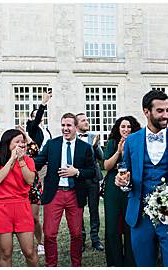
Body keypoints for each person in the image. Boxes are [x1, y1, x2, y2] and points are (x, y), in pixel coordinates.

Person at [115, 90, 168, 267]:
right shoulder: (131, 141)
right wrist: (123, 182)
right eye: (160, 111)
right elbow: (126, 173)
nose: (166, 115)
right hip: (140, 216)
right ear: (146, 112)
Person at [34, 113, 99, 267]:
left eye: (69, 125)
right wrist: (22, 159)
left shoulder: (85, 148)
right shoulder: (52, 144)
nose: (65, 128)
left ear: (76, 127)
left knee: (76, 234)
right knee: (49, 234)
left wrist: (76, 172)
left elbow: (92, 171)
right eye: (63, 125)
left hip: (74, 194)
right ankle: (51, 265)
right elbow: (37, 162)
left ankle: (76, 265)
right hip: (54, 193)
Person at [0, 129, 39, 267]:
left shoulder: (28, 161)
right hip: (1, 208)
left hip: (22, 206)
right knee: (5, 253)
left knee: (29, 252)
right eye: (17, 142)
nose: (22, 145)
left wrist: (21, 161)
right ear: (7, 144)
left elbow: (30, 180)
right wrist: (12, 159)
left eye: (23, 142)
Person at [101, 116, 140, 266]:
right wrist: (118, 152)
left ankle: (131, 261)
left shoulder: (137, 143)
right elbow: (106, 166)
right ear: (118, 128)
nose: (126, 129)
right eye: (123, 126)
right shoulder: (112, 143)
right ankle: (114, 262)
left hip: (132, 187)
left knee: (130, 225)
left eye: (129, 127)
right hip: (113, 189)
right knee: (112, 226)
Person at [74, 112, 105, 251]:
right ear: (76, 125)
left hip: (93, 179)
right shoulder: (73, 139)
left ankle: (95, 239)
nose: (87, 122)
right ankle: (80, 240)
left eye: (87, 120)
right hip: (79, 179)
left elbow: (101, 157)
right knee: (78, 210)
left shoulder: (93, 137)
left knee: (94, 210)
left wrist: (96, 146)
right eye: (83, 120)